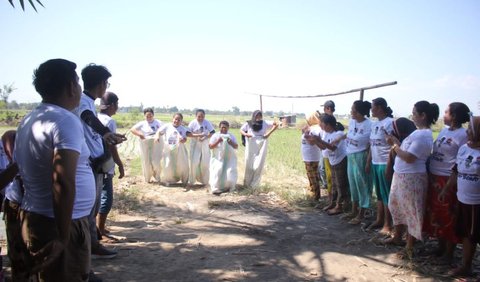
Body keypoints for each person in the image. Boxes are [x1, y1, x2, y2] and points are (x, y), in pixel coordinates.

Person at [14, 58, 95, 281]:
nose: (79, 89)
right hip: (60, 222)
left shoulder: (31, 118)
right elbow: (63, 181)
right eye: (78, 83)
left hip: (38, 216)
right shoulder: (65, 120)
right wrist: (63, 236)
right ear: (71, 86)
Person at [74, 64, 126, 262]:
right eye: (106, 83)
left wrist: (106, 138)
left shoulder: (88, 101)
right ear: (102, 84)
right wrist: (106, 133)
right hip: (89, 164)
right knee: (89, 208)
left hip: (95, 163)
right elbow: (87, 118)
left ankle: (93, 244)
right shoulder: (83, 103)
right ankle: (89, 250)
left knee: (92, 207)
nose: (106, 86)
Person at [386, 100, 439, 259]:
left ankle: (409, 247)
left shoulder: (423, 135)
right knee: (396, 206)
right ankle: (397, 237)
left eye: (415, 113)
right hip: (402, 175)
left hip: (412, 177)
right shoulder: (417, 133)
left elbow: (409, 157)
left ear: (423, 116)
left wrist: (395, 146)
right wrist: (397, 145)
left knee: (411, 212)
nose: (412, 116)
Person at [423, 102, 470, 261]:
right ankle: (440, 247)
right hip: (435, 177)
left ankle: (449, 253)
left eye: (446, 112)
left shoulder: (463, 135)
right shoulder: (443, 131)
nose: (443, 115)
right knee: (436, 215)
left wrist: (449, 184)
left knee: (449, 215)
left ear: (454, 116)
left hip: (448, 180)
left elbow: (460, 162)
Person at [447, 115, 480, 277]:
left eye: (471, 129)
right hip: (463, 199)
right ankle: (466, 266)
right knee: (467, 234)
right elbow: (455, 170)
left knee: (473, 235)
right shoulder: (464, 148)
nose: (468, 132)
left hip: (476, 203)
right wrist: (445, 189)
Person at [307, 114, 348, 215]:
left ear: (328, 125)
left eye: (322, 124)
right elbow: (324, 147)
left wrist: (319, 140)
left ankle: (340, 206)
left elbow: (332, 147)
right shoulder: (326, 134)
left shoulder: (338, 134)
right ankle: (333, 203)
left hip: (340, 160)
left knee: (340, 185)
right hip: (332, 161)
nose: (320, 125)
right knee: (333, 184)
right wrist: (315, 141)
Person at [97, 92, 125, 238]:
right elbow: (111, 146)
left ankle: (97, 227)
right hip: (105, 163)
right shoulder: (109, 121)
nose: (117, 108)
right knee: (106, 197)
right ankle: (100, 228)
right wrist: (119, 164)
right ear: (112, 105)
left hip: (93, 163)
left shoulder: (94, 117)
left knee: (97, 197)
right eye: (117, 105)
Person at [367, 98, 395, 234]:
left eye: (372, 107)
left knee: (386, 195)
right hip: (375, 163)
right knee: (378, 194)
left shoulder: (390, 123)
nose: (371, 109)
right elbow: (372, 145)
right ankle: (379, 219)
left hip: (385, 163)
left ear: (379, 108)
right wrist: (368, 162)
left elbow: (393, 146)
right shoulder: (374, 124)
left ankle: (388, 224)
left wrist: (390, 165)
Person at [344, 100, 372, 224]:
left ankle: (362, 213)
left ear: (360, 112)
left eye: (354, 110)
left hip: (362, 156)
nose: (351, 112)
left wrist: (368, 161)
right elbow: (348, 136)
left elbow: (371, 144)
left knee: (363, 184)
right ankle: (354, 210)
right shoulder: (351, 122)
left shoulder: (370, 125)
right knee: (353, 184)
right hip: (350, 155)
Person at [240, 110, 279, 188]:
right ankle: (247, 183)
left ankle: (254, 185)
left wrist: (268, 133)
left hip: (262, 142)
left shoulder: (265, 123)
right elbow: (241, 130)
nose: (258, 117)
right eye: (257, 116)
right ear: (253, 116)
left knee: (259, 163)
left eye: (260, 116)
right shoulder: (249, 123)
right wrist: (246, 134)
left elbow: (276, 124)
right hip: (251, 142)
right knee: (249, 163)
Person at [155, 113, 189, 186]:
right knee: (167, 164)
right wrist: (157, 137)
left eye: (179, 120)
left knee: (181, 164)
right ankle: (168, 180)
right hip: (168, 148)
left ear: (181, 121)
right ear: (172, 119)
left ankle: (182, 179)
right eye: (175, 119)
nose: (176, 121)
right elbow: (159, 132)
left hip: (179, 148)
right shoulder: (167, 126)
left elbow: (185, 139)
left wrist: (183, 140)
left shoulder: (182, 128)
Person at [130, 108, 163, 183]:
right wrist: (139, 134)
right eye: (147, 116)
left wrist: (158, 134)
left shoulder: (158, 122)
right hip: (145, 143)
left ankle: (157, 176)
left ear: (153, 115)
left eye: (150, 115)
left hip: (156, 143)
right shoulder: (142, 123)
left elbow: (164, 130)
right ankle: (147, 178)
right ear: (144, 116)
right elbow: (132, 129)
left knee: (156, 161)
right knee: (146, 161)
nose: (149, 117)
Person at [187, 109, 215, 187]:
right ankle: (192, 181)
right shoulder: (192, 123)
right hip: (195, 144)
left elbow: (212, 132)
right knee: (194, 162)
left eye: (202, 116)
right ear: (196, 116)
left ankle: (205, 181)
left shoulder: (207, 122)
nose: (200, 118)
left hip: (205, 144)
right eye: (199, 116)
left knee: (205, 163)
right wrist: (198, 136)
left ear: (204, 116)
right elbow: (188, 134)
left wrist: (205, 137)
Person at [208, 121, 238, 195]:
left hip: (229, 158)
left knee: (230, 172)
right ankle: (215, 188)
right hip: (218, 158)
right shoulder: (215, 135)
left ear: (228, 128)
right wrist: (218, 141)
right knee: (217, 171)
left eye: (225, 127)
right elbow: (210, 146)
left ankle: (229, 187)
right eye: (222, 127)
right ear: (219, 127)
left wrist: (230, 142)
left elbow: (236, 146)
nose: (224, 129)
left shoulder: (231, 135)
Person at [301, 111, 323, 201]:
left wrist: (305, 134)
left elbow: (313, 140)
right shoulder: (313, 128)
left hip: (311, 156)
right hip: (309, 156)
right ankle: (314, 193)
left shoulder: (315, 129)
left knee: (313, 176)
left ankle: (316, 195)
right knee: (312, 175)